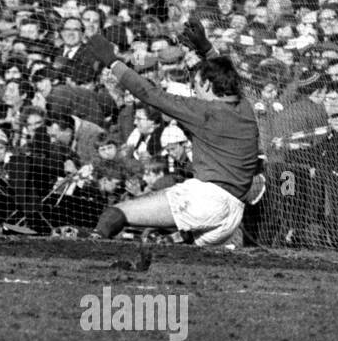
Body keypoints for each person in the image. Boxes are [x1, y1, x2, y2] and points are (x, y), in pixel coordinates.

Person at [83, 19, 261, 246]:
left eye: (196, 86)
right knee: (174, 255)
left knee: (115, 214)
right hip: (233, 215)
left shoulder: (203, 110)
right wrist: (205, 47)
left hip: (205, 200)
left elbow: (149, 93)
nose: (194, 91)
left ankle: (90, 257)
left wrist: (112, 61)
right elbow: (228, 76)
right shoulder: (245, 107)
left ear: (207, 85)